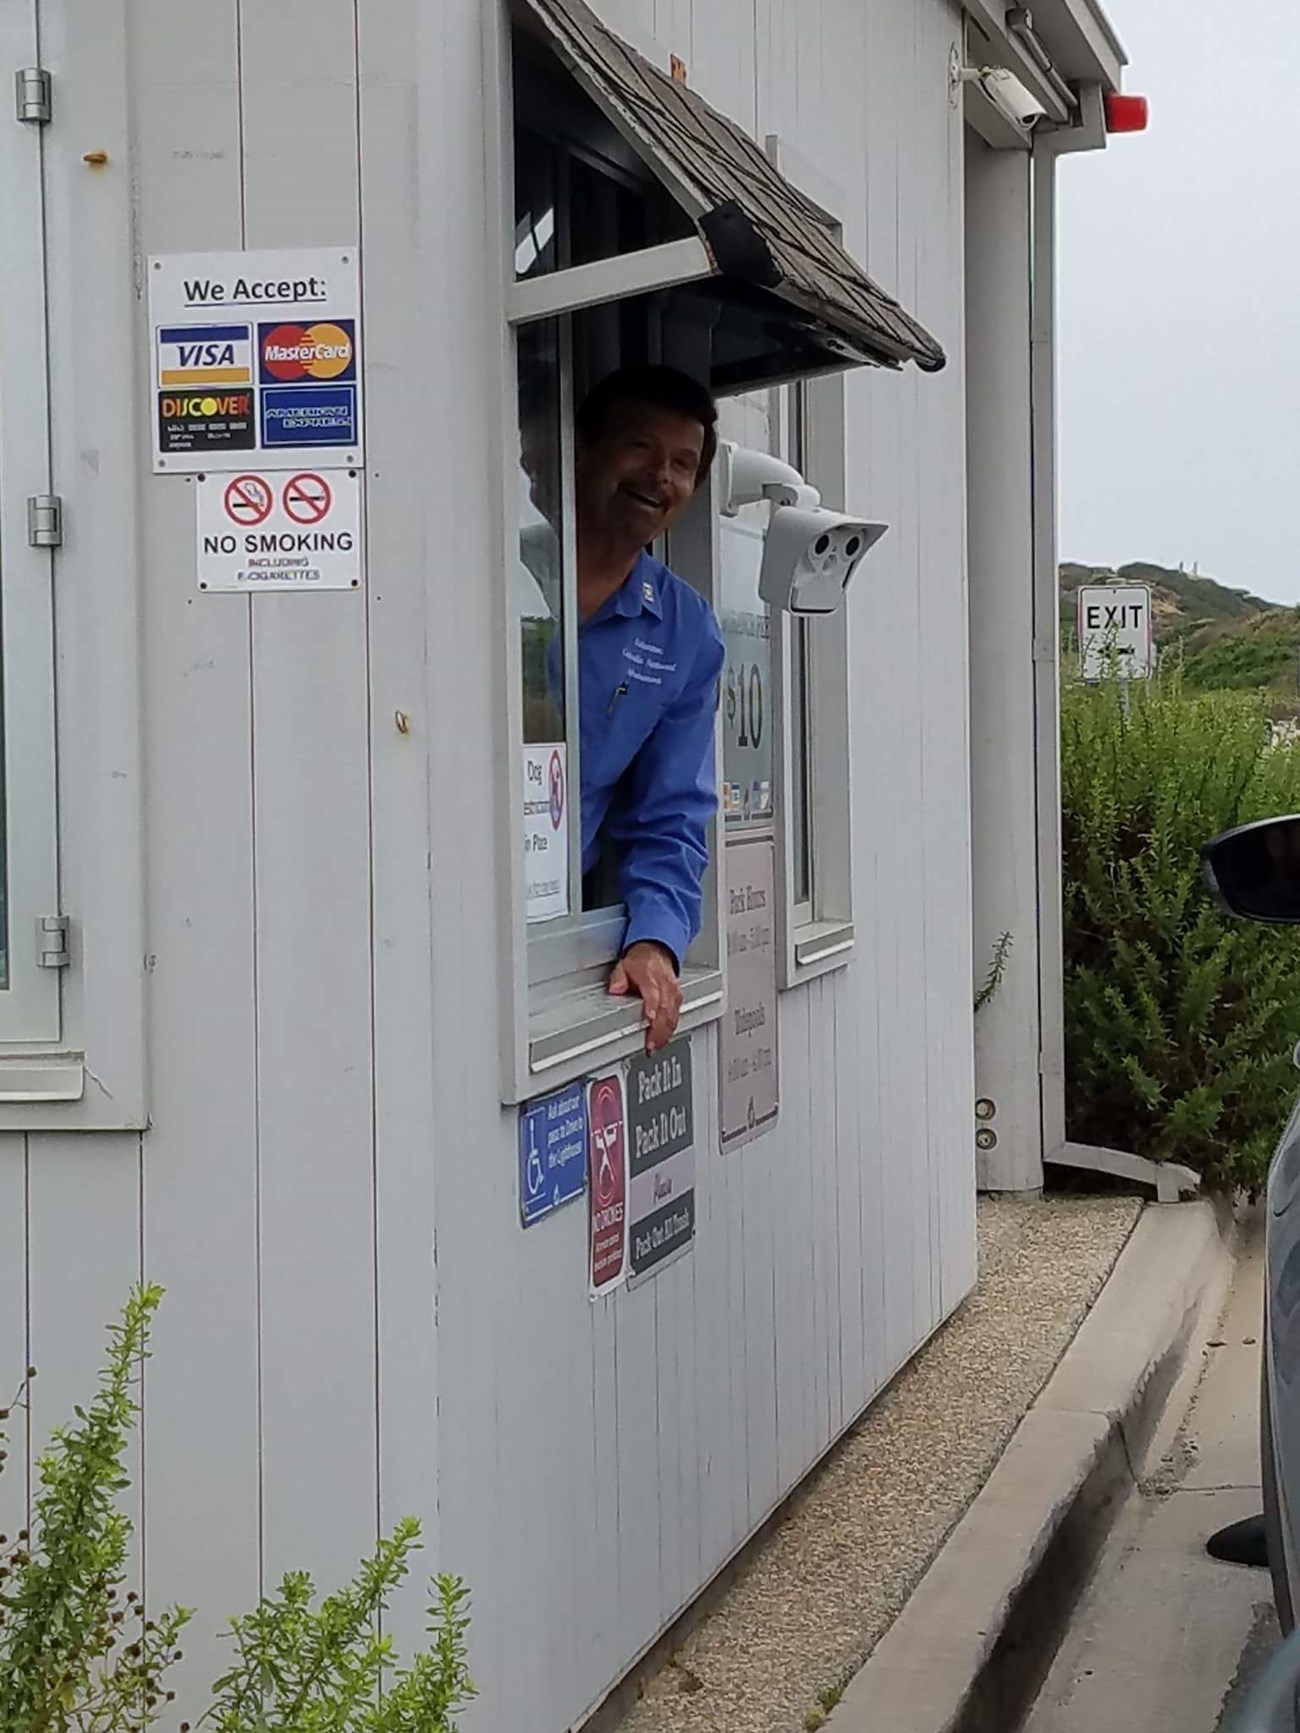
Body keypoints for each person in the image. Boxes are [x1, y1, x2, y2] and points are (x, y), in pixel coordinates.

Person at [571, 365, 726, 1053]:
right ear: (581, 450)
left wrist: (654, 941)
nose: (661, 476)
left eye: (683, 463)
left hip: (542, 935)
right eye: (640, 447)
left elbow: (670, 815)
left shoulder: (686, 631)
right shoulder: (488, 568)